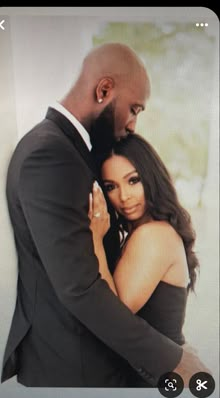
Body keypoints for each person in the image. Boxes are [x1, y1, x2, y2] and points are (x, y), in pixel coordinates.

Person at [1, 42, 208, 387]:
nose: (133, 124)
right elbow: (80, 288)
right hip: (75, 371)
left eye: (133, 180)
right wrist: (173, 359)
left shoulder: (65, 150)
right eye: (134, 108)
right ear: (104, 90)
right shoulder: (52, 155)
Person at [88, 133, 205, 386]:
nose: (124, 196)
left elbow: (113, 314)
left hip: (158, 377)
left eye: (133, 180)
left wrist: (95, 240)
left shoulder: (152, 234)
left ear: (151, 177)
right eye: (111, 186)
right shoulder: (146, 233)